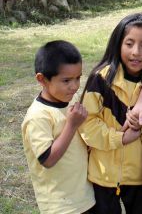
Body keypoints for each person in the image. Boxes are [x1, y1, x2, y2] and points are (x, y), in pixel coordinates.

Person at [79, 13, 142, 214]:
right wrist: (120, 138)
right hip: (103, 175)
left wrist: (141, 123)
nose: (136, 52)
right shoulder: (101, 79)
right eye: (129, 43)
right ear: (118, 44)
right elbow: (87, 124)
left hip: (141, 176)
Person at [21, 40, 95, 214]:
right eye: (66, 80)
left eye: (78, 78)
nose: (75, 86)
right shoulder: (38, 116)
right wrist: (71, 125)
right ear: (42, 79)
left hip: (85, 196)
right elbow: (48, 159)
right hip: (61, 206)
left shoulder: (72, 99)